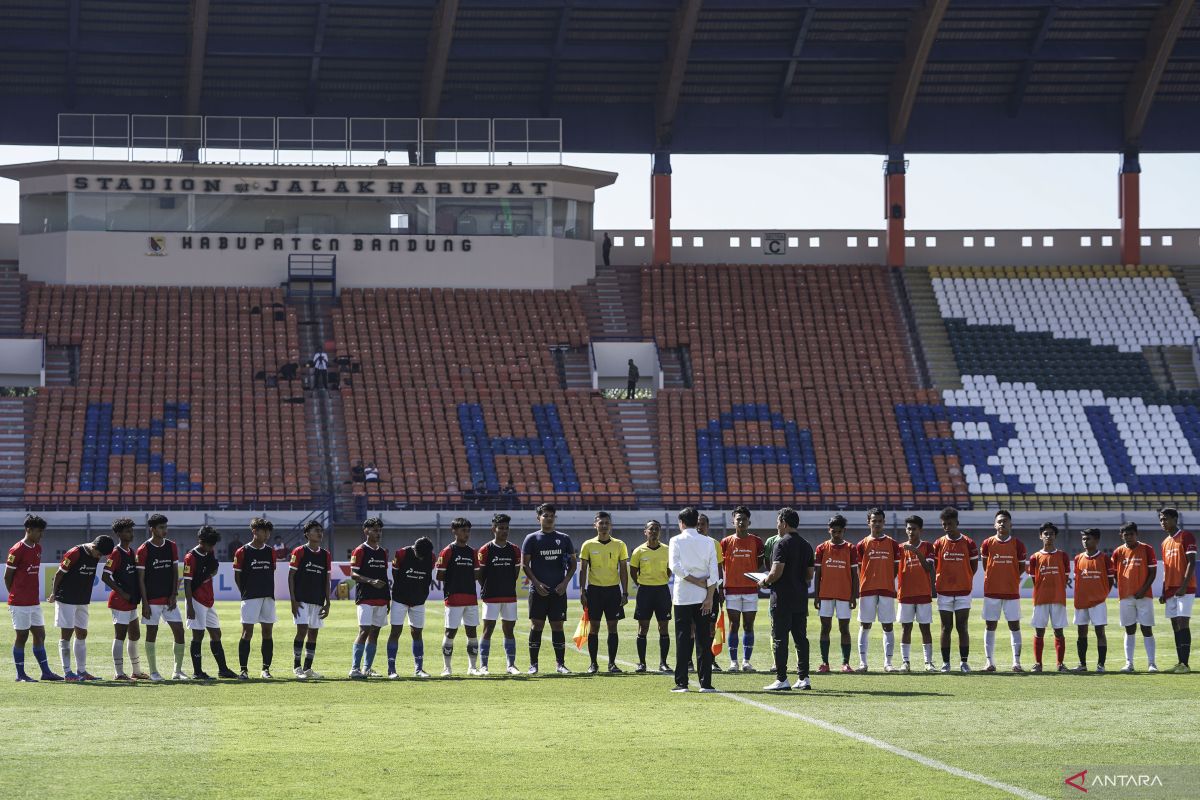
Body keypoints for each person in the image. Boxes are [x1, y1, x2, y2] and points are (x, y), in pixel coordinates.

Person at [760, 508, 815, 691]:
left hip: (782, 598)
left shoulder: (781, 544)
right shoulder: (807, 545)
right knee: (801, 639)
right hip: (800, 598)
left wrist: (764, 581)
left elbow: (776, 572)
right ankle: (804, 677)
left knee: (780, 639)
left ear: (784, 522)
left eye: (778, 522)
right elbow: (809, 575)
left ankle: (782, 678)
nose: (777, 526)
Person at [50, 534, 116, 681]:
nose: (99, 557)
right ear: (93, 547)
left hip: (82, 599)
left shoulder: (96, 553)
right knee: (66, 634)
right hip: (66, 598)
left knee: (82, 633)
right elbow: (59, 574)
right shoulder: (75, 553)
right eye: (99, 553)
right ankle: (67, 672)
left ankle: (81, 671)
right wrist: (54, 594)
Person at [668, 507, 719, 693]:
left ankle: (682, 683)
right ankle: (705, 683)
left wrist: (694, 581)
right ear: (696, 521)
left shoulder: (675, 540)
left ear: (681, 522)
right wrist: (709, 596)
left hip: (683, 597)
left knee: (683, 639)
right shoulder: (708, 541)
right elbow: (714, 572)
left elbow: (675, 567)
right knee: (704, 640)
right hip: (704, 597)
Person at [521, 503, 577, 675]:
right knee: (536, 625)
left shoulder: (564, 538)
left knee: (557, 626)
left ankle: (560, 664)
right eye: (545, 515)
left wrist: (565, 583)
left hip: (558, 591)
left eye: (552, 515)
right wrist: (536, 584)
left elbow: (573, 564)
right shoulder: (532, 539)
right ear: (539, 518)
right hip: (537, 591)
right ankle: (533, 665)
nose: (549, 518)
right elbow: (525, 564)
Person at [6, 515, 61, 681]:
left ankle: (46, 673)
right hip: (19, 602)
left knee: (40, 634)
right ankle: (20, 675)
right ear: (28, 530)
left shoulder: (38, 548)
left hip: (34, 602)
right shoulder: (16, 549)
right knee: (22, 636)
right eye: (38, 531)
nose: (41, 535)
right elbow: (7, 576)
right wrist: (16, 596)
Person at [136, 513, 187, 681]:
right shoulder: (144, 549)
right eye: (161, 527)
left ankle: (177, 671)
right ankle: (153, 672)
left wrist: (174, 594)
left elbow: (174, 573)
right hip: (151, 600)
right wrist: (145, 603)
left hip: (169, 599)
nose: (165, 530)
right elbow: (141, 579)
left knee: (179, 632)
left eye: (166, 527)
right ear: (152, 529)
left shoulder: (171, 546)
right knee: (152, 633)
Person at [578, 511, 629, 674]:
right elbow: (583, 569)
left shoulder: (620, 544)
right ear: (595, 525)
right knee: (594, 628)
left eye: (607, 523)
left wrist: (625, 592)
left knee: (613, 627)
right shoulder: (588, 545)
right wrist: (582, 591)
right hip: (594, 591)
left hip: (613, 591)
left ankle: (612, 664)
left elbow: (623, 570)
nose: (604, 526)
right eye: (601, 523)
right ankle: (593, 663)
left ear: (611, 525)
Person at [183, 526, 236, 680]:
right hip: (196, 600)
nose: (211, 548)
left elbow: (214, 568)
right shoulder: (190, 557)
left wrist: (211, 571)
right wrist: (190, 607)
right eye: (209, 544)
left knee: (216, 633)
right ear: (201, 541)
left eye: (213, 545)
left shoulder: (209, 552)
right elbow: (187, 584)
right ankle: (197, 672)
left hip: (208, 600)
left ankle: (223, 670)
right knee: (198, 634)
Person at [979, 509, 1027, 672]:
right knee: (990, 625)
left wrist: (1010, 577)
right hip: (992, 591)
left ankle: (1016, 662)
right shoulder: (987, 543)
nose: (1002, 523)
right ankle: (989, 662)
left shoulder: (1018, 544)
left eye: (1005, 521)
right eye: (999, 521)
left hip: (1011, 591)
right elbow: (986, 565)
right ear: (995, 524)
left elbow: (1021, 567)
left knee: (1014, 625)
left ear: (1010, 524)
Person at [855, 507, 901, 672]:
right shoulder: (861, 545)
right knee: (865, 625)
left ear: (884, 522)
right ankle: (863, 663)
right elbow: (859, 569)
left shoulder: (893, 545)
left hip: (886, 589)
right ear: (868, 523)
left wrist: (885, 579)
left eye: (880, 521)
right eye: (874, 521)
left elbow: (895, 569)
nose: (877, 524)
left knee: (887, 626)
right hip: (867, 589)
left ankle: (888, 663)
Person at [933, 507, 979, 673]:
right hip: (944, 591)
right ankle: (946, 663)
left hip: (963, 591)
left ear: (957, 523)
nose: (947, 527)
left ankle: (964, 662)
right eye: (944, 524)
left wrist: (964, 578)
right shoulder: (938, 543)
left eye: (950, 524)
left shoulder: (968, 542)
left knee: (962, 626)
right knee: (946, 627)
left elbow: (973, 567)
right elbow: (935, 566)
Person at [476, 514, 522, 676]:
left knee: (509, 631)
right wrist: (490, 587)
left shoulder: (515, 550)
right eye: (501, 528)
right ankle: (483, 666)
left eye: (506, 528)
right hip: (491, 596)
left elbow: (515, 573)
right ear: (493, 529)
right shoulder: (485, 550)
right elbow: (480, 575)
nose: (504, 531)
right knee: (488, 630)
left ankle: (511, 665)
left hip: (509, 596)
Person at [720, 506, 765, 672]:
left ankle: (746, 661)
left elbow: (759, 563)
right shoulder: (725, 542)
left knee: (748, 625)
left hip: (751, 589)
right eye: (738, 519)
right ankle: (733, 662)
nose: (741, 522)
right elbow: (721, 565)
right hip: (731, 589)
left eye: (744, 519)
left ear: (749, 521)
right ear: (733, 521)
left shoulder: (757, 541)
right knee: (733, 625)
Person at [102, 517, 147, 680]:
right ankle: (119, 673)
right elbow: (105, 576)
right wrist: (122, 593)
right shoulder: (115, 552)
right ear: (119, 534)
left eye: (131, 530)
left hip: (131, 601)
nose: (131, 533)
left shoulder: (131, 551)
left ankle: (136, 671)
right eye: (128, 531)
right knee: (120, 636)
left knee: (135, 635)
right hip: (120, 601)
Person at [234, 517, 278, 680]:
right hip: (250, 597)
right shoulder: (242, 551)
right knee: (247, 633)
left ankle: (265, 670)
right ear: (254, 531)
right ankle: (243, 670)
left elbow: (271, 571)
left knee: (267, 632)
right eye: (263, 531)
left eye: (268, 531)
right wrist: (245, 593)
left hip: (268, 597)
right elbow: (237, 576)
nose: (267, 534)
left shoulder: (270, 551)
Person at [436, 518, 481, 676]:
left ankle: (472, 668)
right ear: (454, 531)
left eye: (468, 531)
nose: (466, 534)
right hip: (453, 598)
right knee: (450, 632)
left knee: (472, 632)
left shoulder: (472, 552)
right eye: (463, 530)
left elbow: (476, 574)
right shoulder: (448, 551)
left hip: (470, 598)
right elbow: (440, 575)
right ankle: (447, 668)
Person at [1112, 522, 1158, 673]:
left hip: (1144, 596)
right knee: (1129, 629)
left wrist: (1143, 590)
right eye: (1126, 534)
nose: (1129, 537)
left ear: (1136, 534)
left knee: (1146, 629)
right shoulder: (1118, 551)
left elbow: (1152, 573)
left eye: (1131, 534)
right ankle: (1129, 664)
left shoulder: (1147, 549)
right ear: (1121, 536)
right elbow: (1113, 572)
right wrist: (1121, 586)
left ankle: (1152, 664)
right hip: (1126, 597)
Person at [387, 537, 436, 679]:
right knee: (395, 631)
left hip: (419, 600)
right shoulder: (401, 554)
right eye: (418, 554)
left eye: (423, 556)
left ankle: (419, 669)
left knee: (417, 633)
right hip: (400, 599)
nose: (420, 557)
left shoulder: (431, 557)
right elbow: (395, 574)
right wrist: (404, 589)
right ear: (414, 548)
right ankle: (391, 669)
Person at [813, 515, 857, 673]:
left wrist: (854, 595)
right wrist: (816, 595)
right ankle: (825, 663)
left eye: (839, 531)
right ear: (829, 530)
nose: (836, 534)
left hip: (844, 595)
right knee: (825, 628)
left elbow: (854, 574)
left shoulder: (851, 548)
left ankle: (845, 663)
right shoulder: (821, 548)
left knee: (844, 629)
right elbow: (817, 574)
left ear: (844, 531)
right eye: (833, 531)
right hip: (825, 594)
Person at [289, 520, 333, 679]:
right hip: (301, 599)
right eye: (316, 530)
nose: (320, 533)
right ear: (307, 533)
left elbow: (327, 579)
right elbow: (291, 576)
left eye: (321, 530)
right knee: (302, 631)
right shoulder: (299, 551)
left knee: (313, 634)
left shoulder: (325, 554)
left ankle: (308, 669)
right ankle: (296, 667)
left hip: (317, 600)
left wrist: (328, 603)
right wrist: (293, 600)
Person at [1027, 522, 1070, 673]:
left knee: (1059, 631)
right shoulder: (1035, 557)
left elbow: (1065, 578)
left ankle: (1060, 664)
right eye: (1045, 534)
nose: (1048, 536)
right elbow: (1034, 579)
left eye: (1051, 534)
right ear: (1041, 536)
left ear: (1055, 536)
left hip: (1058, 598)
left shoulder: (1063, 556)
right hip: (1041, 599)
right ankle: (1038, 664)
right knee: (1039, 632)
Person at [630, 519, 672, 673]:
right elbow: (633, 571)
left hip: (662, 591)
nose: (653, 531)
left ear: (659, 532)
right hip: (645, 592)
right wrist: (641, 583)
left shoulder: (667, 549)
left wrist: (662, 579)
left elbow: (670, 569)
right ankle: (642, 663)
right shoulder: (638, 551)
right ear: (645, 531)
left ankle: (663, 663)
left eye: (656, 529)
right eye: (651, 529)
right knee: (643, 627)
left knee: (663, 627)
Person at [349, 517, 389, 679]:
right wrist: (370, 581)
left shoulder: (382, 552)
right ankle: (354, 668)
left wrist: (388, 600)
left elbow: (384, 577)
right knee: (364, 631)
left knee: (375, 633)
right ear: (366, 531)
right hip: (365, 597)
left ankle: (367, 668)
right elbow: (352, 574)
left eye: (379, 530)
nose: (377, 533)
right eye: (374, 530)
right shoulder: (360, 550)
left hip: (381, 598)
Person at [1158, 507, 1196, 673]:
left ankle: (1185, 664)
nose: (1163, 522)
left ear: (1175, 519)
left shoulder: (1186, 536)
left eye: (1166, 519)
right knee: (1175, 625)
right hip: (1170, 589)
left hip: (1184, 589)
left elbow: (1191, 562)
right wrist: (1163, 590)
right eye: (1161, 520)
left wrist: (1183, 585)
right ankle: (1180, 662)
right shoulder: (1165, 543)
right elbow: (1166, 569)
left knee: (1182, 622)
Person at [897, 514, 936, 672]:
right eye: (908, 529)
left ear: (920, 530)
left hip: (923, 593)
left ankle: (928, 662)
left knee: (925, 628)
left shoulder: (928, 547)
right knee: (906, 628)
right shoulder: (899, 548)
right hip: (905, 594)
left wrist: (916, 552)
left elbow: (928, 568)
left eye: (914, 529)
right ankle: (905, 662)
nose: (911, 532)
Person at [1073, 528, 1114, 672]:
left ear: (1096, 540)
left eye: (1088, 538)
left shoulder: (1104, 559)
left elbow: (1110, 581)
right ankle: (1082, 664)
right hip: (1081, 602)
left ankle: (1101, 665)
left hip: (1098, 602)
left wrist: (1101, 595)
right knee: (1081, 632)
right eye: (1083, 539)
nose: (1085, 541)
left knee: (1100, 632)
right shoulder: (1078, 558)